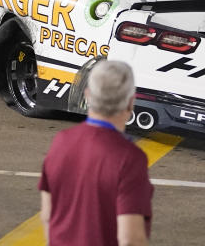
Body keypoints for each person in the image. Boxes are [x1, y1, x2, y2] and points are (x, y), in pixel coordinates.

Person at [38, 60, 154, 246]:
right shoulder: (130, 158)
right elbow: (130, 239)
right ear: (131, 103)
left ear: (87, 96)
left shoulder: (61, 142)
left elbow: (47, 215)